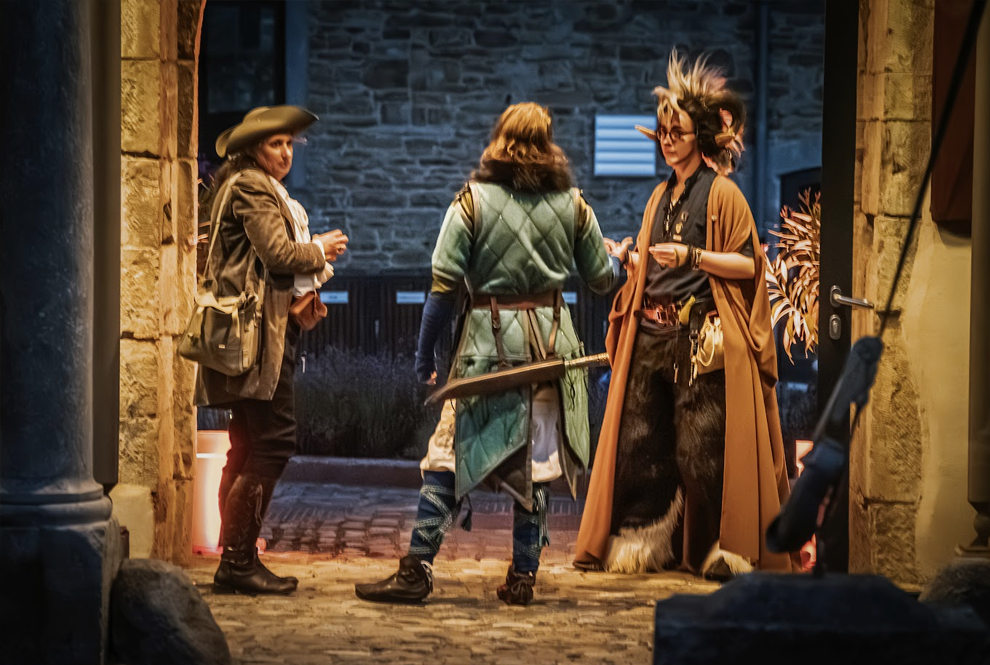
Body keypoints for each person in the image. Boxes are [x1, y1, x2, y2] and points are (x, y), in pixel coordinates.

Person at [355, 102, 620, 605]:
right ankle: (523, 577)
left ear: (500, 141)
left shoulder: (471, 203)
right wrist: (619, 258)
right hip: (549, 351)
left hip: (486, 351)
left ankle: (418, 569)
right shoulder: (574, 205)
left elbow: (442, 289)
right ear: (548, 145)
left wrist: (424, 356)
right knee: (537, 463)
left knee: (446, 460)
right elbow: (602, 280)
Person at [573, 51, 796, 578]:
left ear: (699, 136)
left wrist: (694, 257)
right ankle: (644, 540)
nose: (668, 140)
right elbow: (656, 263)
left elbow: (749, 264)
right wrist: (633, 259)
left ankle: (722, 548)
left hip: (700, 343)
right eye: (663, 132)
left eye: (677, 132)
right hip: (652, 336)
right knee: (641, 443)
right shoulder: (659, 196)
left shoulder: (724, 194)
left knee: (704, 448)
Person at [195, 105, 349, 595]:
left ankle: (235, 555)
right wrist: (320, 248)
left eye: (288, 144)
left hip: (258, 332)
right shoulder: (251, 186)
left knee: (246, 443)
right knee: (274, 442)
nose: (285, 153)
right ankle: (238, 561)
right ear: (252, 149)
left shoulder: (247, 184)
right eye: (274, 144)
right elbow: (278, 255)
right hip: (257, 339)